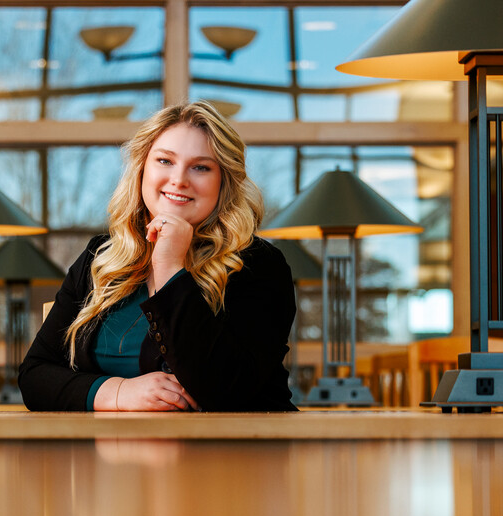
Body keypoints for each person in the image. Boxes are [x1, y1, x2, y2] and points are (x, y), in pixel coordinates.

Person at [19, 101, 296, 412]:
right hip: (110, 453)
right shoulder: (100, 258)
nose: (179, 179)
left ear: (223, 182)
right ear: (142, 168)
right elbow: (35, 375)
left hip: (237, 453)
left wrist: (169, 267)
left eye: (201, 167)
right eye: (165, 161)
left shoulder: (258, 265)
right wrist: (119, 392)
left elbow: (224, 390)